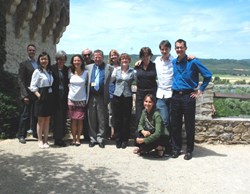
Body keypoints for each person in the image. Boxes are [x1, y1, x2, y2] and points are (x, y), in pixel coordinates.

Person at [171, 39, 212, 160]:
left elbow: (208, 75)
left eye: (181, 47)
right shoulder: (174, 62)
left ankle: (189, 151)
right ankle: (176, 149)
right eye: (177, 47)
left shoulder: (193, 62)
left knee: (189, 126)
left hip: (188, 96)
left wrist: (200, 90)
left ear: (185, 48)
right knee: (175, 125)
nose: (179, 49)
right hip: (175, 96)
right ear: (175, 49)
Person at [86, 49, 113, 148]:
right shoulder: (88, 67)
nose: (97, 59)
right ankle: (93, 139)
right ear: (93, 57)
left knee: (102, 119)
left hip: (102, 96)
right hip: (91, 95)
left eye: (99, 57)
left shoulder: (109, 68)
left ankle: (101, 138)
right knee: (91, 118)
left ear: (103, 57)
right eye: (95, 57)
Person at [29, 52, 54, 149]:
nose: (44, 61)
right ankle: (39, 140)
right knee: (40, 120)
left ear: (48, 60)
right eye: (42, 59)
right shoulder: (37, 71)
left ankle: (46, 140)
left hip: (49, 96)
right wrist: (39, 96)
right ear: (39, 60)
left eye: (46, 59)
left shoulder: (49, 71)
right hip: (41, 95)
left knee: (47, 119)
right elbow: (32, 86)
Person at [111, 53, 135, 149]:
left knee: (126, 119)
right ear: (120, 61)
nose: (124, 61)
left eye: (126, 59)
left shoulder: (133, 71)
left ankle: (125, 140)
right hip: (117, 96)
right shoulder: (116, 70)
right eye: (122, 59)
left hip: (127, 96)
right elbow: (111, 81)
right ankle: (118, 139)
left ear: (129, 61)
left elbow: (137, 80)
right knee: (117, 119)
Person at [17, 44, 38, 144]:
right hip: (27, 94)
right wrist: (24, 95)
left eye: (33, 50)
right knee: (25, 115)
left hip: (36, 94)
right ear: (27, 51)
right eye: (30, 50)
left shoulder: (37, 64)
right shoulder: (24, 64)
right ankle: (21, 135)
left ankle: (35, 133)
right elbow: (21, 80)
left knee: (35, 114)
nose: (32, 52)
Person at [68, 54, 88, 146]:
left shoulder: (86, 73)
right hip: (71, 99)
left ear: (81, 62)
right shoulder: (70, 72)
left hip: (82, 99)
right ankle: (73, 138)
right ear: (72, 62)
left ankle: (78, 138)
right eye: (75, 61)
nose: (76, 62)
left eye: (78, 60)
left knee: (80, 120)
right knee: (73, 120)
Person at [134, 47, 157, 127]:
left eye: (147, 55)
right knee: (139, 115)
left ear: (150, 56)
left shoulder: (155, 66)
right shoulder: (137, 66)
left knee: (151, 115)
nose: (145, 57)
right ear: (141, 56)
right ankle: (139, 135)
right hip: (140, 93)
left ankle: (151, 137)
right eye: (143, 55)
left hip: (152, 93)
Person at [51, 50, 69, 147]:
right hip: (54, 97)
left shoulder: (67, 69)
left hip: (64, 96)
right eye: (59, 59)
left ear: (65, 60)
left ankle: (61, 136)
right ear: (56, 59)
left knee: (63, 117)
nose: (61, 61)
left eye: (63, 59)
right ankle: (58, 139)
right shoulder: (52, 68)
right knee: (57, 118)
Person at [81, 48, 94, 142]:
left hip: (93, 94)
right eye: (85, 55)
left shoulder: (96, 64)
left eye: (88, 54)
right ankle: (85, 135)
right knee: (83, 116)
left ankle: (93, 135)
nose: (87, 57)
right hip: (82, 94)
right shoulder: (80, 65)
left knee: (93, 116)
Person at [108, 49, 120, 139]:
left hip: (121, 93)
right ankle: (112, 132)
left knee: (119, 113)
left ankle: (119, 132)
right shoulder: (108, 67)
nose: (113, 57)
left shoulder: (122, 66)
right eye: (112, 55)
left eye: (115, 55)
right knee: (111, 114)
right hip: (111, 93)